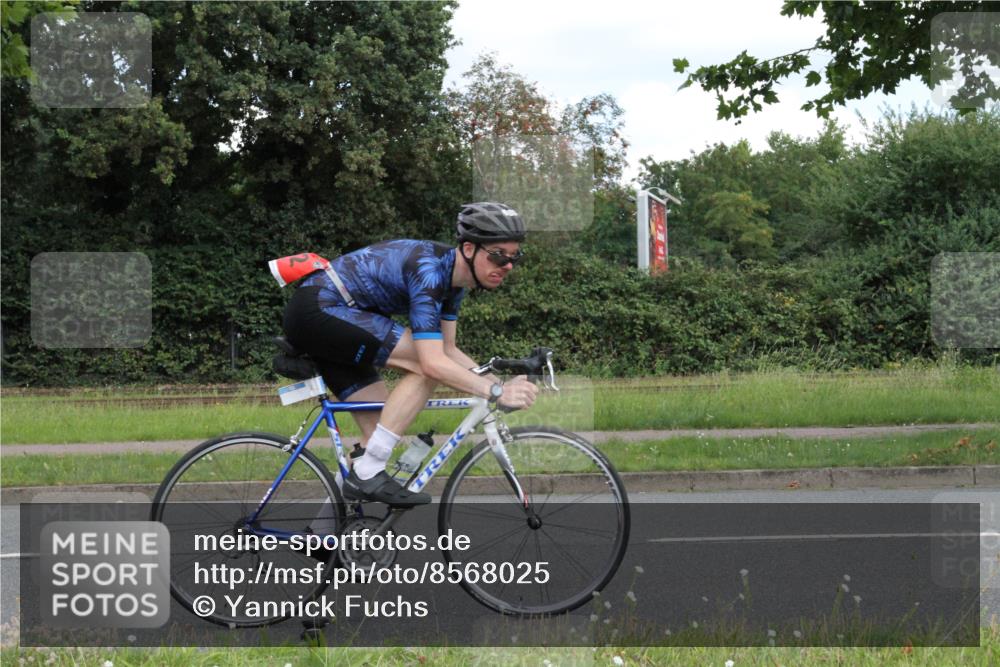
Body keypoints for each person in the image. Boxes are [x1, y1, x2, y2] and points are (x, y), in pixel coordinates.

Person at [281, 202, 538, 506]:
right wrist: (495, 391)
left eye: (514, 256)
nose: (507, 265)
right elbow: (432, 362)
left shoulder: (454, 284)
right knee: (426, 366)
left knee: (379, 434)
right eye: (498, 255)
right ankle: (368, 471)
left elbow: (448, 350)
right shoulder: (429, 271)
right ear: (469, 249)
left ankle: (324, 530)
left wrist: (498, 385)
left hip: (338, 316)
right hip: (320, 308)